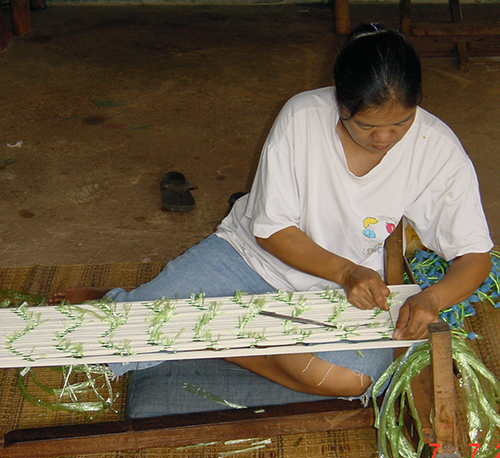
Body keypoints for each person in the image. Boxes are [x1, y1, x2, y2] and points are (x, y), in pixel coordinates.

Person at [49, 23, 492, 416]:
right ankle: (136, 305)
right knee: (112, 340)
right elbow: (271, 231)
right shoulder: (301, 116)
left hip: (339, 291)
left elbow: (474, 255)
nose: (384, 138)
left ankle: (202, 335)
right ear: (339, 100)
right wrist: (346, 270)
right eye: (366, 125)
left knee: (352, 379)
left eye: (401, 123)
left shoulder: (436, 147)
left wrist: (433, 299)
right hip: (247, 258)